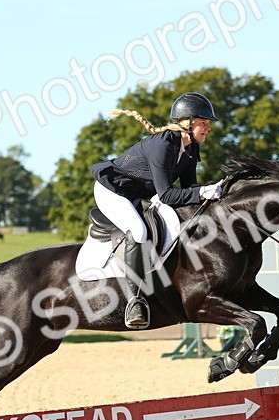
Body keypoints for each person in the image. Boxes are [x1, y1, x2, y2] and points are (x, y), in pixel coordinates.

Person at [90, 92, 224, 329]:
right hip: (113, 191)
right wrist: (203, 192)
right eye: (203, 123)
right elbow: (167, 195)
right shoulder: (164, 145)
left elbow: (189, 189)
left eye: (207, 123)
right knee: (139, 231)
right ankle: (134, 301)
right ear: (187, 122)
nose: (208, 128)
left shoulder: (190, 148)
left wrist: (212, 193)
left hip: (139, 194)